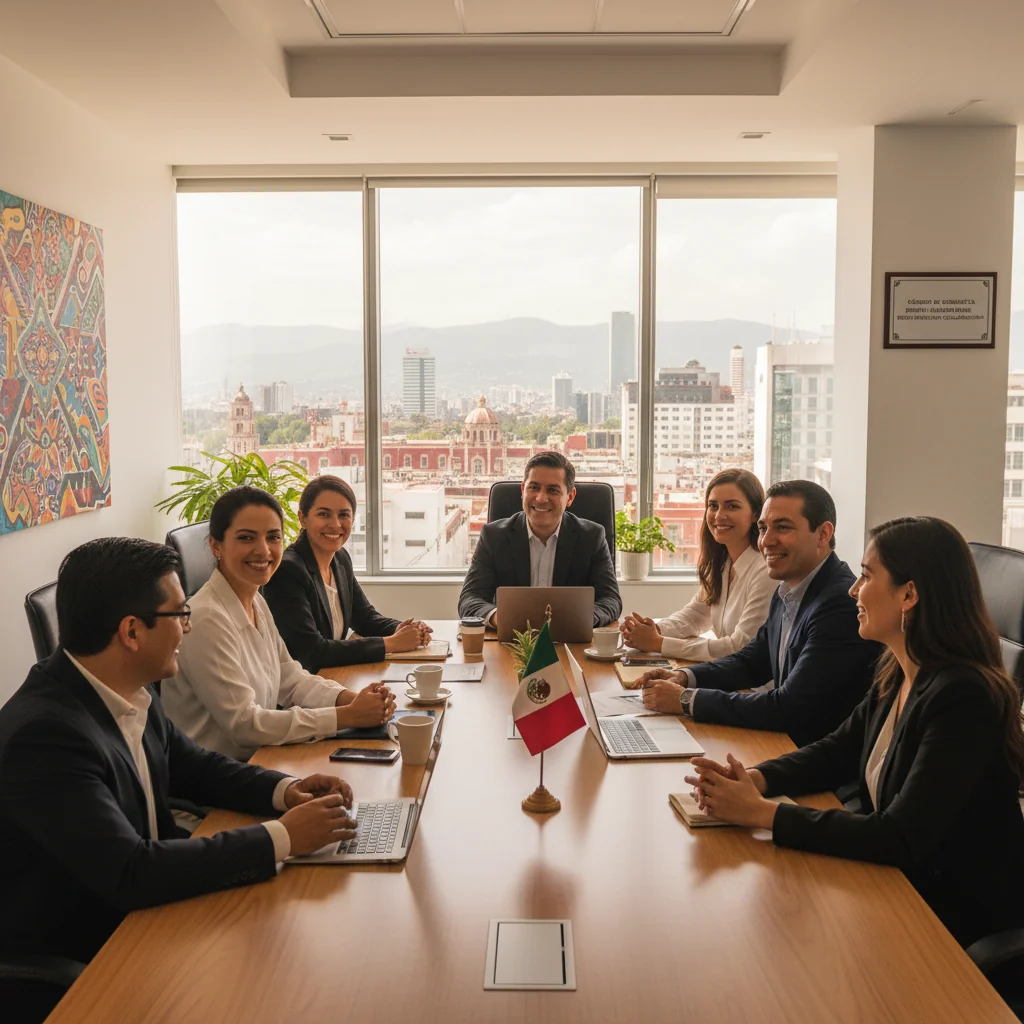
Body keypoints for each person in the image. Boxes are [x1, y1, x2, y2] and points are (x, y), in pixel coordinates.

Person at [0, 537, 359, 965]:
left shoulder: (125, 687)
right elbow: (130, 871)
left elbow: (197, 768)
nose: (187, 628)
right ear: (131, 631)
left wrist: (287, 790)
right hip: (96, 951)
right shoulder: (46, 737)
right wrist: (283, 837)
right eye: (180, 614)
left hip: (156, 912)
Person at [685, 517, 1024, 950]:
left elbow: (899, 836)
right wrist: (754, 779)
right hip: (891, 886)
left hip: (947, 916)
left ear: (909, 594)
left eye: (866, 576)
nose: (852, 590)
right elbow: (835, 751)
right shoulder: (899, 670)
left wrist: (761, 814)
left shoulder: (963, 697)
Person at [638, 480, 880, 747]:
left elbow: (789, 707)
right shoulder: (788, 587)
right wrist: (684, 677)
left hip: (810, 760)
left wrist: (686, 700)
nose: (766, 541)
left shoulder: (839, 603)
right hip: (784, 744)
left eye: (783, 528)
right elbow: (753, 660)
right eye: (764, 528)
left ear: (823, 534)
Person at [163, 486, 395, 763]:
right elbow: (245, 725)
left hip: (261, 761)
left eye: (273, 537)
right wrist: (345, 716)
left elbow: (290, 678)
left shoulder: (255, 601)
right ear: (216, 546)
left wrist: (350, 698)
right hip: (219, 785)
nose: (263, 550)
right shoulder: (206, 619)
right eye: (246, 538)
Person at [264, 475, 432, 672]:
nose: (335, 524)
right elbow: (311, 652)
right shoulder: (287, 571)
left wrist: (404, 630)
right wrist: (391, 643)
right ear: (303, 518)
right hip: (298, 694)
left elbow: (364, 618)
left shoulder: (340, 559)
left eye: (344, 515)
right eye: (324, 514)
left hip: (331, 679)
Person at [621, 468, 774, 661]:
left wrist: (659, 643)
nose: (719, 515)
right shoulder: (723, 562)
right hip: (728, 677)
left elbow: (739, 647)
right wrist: (652, 630)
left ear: (755, 514)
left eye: (732, 506)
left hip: (754, 687)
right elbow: (695, 616)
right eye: (713, 506)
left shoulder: (765, 572)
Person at [458, 451, 622, 629]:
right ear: (523, 490)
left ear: (570, 497)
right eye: (534, 488)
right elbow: (470, 599)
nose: (541, 498)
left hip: (571, 642)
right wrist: (500, 618)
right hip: (512, 642)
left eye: (553, 490)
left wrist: (584, 619)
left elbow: (611, 600)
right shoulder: (494, 536)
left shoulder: (591, 537)